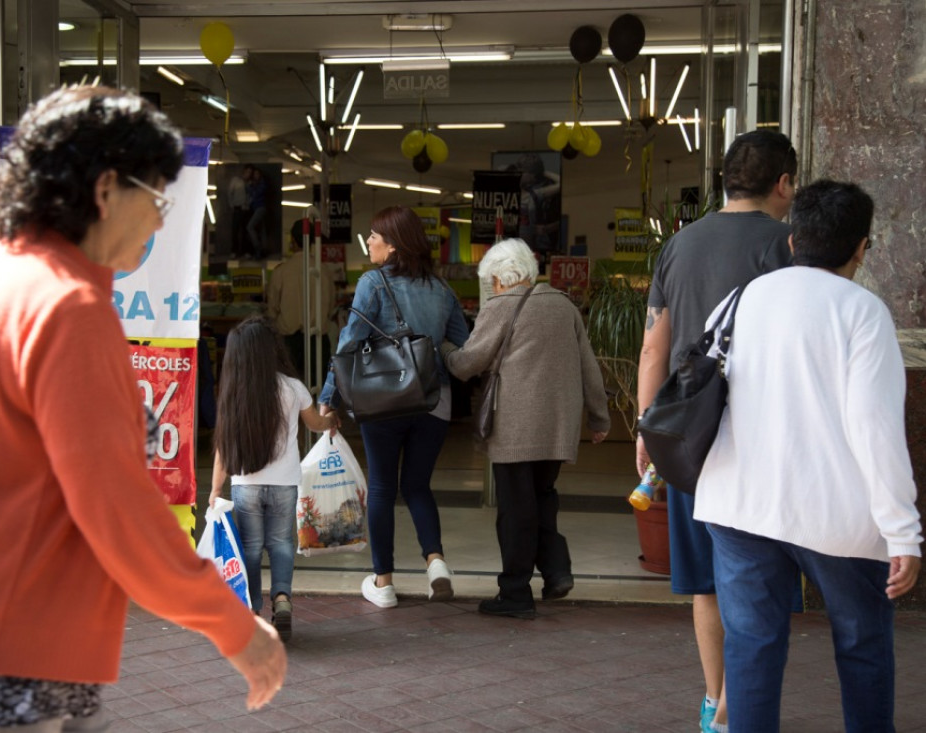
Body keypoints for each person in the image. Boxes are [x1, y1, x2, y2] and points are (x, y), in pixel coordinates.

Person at [0, 86, 286, 732]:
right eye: (155, 195)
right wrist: (234, 626)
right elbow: (122, 513)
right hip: (15, 655)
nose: (161, 217)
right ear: (104, 191)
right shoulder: (70, 310)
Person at [694, 180, 922, 732]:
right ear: (861, 248)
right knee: (863, 643)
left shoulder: (741, 298)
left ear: (794, 239)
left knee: (751, 645)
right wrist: (902, 532)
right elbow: (875, 428)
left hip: (738, 504)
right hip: (836, 516)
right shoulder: (862, 312)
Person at [636, 129, 797, 733]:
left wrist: (647, 431)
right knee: (758, 574)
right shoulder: (790, 243)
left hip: (686, 433)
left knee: (707, 581)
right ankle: (740, 701)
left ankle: (715, 704)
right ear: (783, 183)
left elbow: (654, 343)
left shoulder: (679, 244)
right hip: (762, 430)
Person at [443, 238, 610, 618]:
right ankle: (555, 570)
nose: (493, 289)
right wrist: (599, 417)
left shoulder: (501, 307)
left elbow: (469, 362)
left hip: (516, 428)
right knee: (542, 499)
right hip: (558, 427)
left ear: (504, 278)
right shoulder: (564, 305)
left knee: (516, 511)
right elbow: (589, 366)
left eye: (493, 282)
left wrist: (443, 351)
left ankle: (516, 593)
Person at [318, 206, 470, 608]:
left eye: (373, 236)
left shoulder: (373, 282)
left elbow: (349, 342)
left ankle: (383, 583)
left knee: (383, 487)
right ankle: (436, 562)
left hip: (382, 397)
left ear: (394, 243)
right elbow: (462, 344)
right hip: (433, 400)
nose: (368, 242)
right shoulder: (442, 290)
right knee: (418, 485)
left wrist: (329, 396)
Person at [208, 315, 339, 642]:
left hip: (245, 486)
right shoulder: (292, 387)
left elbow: (222, 447)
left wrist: (214, 489)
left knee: (250, 549)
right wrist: (331, 420)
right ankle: (282, 603)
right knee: (281, 544)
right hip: (285, 484)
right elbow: (314, 425)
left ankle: (250, 610)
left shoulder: (233, 392)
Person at [266, 218, 338, 386]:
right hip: (318, 340)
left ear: (292, 240)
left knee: (288, 389)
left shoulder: (281, 271)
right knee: (318, 388)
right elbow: (330, 306)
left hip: (289, 341)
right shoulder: (324, 271)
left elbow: (272, 309)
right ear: (313, 241)